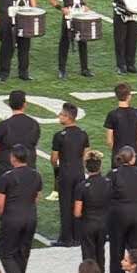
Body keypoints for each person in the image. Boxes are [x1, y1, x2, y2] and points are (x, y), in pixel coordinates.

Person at [0, 144, 40, 273]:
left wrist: (1, 216)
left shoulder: (7, 177)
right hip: (30, 216)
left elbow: (0, 203)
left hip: (12, 217)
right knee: (23, 252)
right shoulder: (35, 175)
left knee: (5, 253)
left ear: (13, 158)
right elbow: (37, 198)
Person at [107, 146, 137, 273]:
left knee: (117, 245)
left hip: (120, 213)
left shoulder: (113, 174)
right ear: (132, 159)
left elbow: (108, 194)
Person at [50, 102, 89, 245]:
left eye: (61, 114)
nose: (59, 116)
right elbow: (86, 155)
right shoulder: (83, 133)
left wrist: (57, 168)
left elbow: (54, 158)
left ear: (67, 117)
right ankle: (78, 237)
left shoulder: (59, 136)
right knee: (78, 203)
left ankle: (66, 238)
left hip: (65, 172)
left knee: (65, 205)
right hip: (79, 172)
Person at [50, 0, 92, 80]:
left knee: (83, 40)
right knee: (65, 42)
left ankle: (85, 68)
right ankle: (62, 70)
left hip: (80, 13)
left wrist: (85, 6)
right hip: (69, 15)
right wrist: (61, 8)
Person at [73, 151, 110, 270]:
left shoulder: (82, 186)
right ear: (100, 166)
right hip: (103, 223)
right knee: (101, 254)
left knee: (89, 257)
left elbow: (77, 212)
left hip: (88, 224)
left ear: (86, 166)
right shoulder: (108, 183)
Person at [0, 89, 40, 174]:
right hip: (29, 169)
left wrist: (3, 161)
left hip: (7, 168)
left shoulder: (3, 125)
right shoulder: (34, 124)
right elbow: (33, 143)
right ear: (24, 104)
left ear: (10, 104)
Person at [105, 82, 137, 163]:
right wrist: (133, 153)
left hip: (118, 155)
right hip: (133, 155)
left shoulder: (112, 114)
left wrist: (116, 152)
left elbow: (109, 140)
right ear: (129, 96)